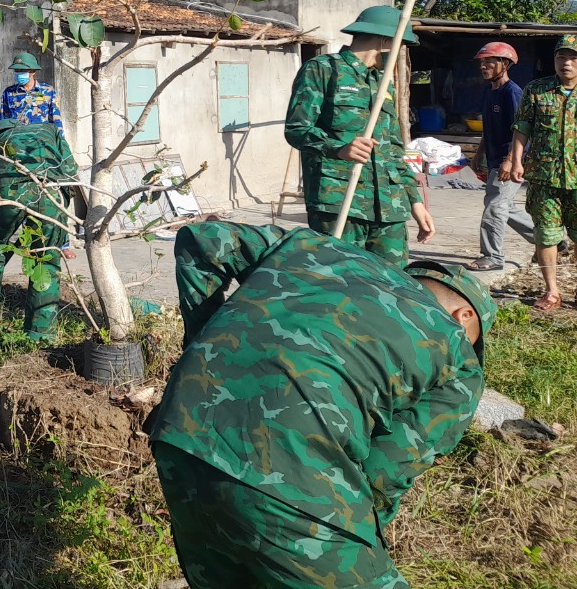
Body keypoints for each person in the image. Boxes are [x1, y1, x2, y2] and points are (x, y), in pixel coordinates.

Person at [150, 220, 495, 589]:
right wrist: (358, 543)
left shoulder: (311, 246)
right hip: (287, 469)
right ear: (465, 317)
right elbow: (385, 472)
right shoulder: (460, 361)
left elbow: (201, 240)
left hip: (179, 432)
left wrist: (200, 344)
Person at [284, 5, 435, 260]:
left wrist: (415, 203)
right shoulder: (323, 69)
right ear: (386, 41)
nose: (400, 53)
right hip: (340, 201)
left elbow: (395, 151)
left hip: (390, 207)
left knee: (393, 287)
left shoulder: (382, 82)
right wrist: (338, 148)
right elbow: (297, 129)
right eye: (400, 45)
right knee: (342, 284)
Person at [0, 119, 77, 341]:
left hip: (5, 192)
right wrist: (63, 211)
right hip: (48, 189)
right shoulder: (50, 132)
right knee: (45, 260)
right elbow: (70, 171)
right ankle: (40, 333)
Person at [502, 34, 577, 310]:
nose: (566, 63)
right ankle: (552, 292)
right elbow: (522, 127)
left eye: (572, 57)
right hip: (544, 175)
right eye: (561, 57)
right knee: (545, 234)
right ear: (554, 60)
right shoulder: (537, 89)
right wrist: (516, 160)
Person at [468, 42, 523, 272]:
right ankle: (551, 239)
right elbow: (488, 127)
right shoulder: (489, 91)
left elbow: (522, 129)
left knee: (494, 206)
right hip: (493, 158)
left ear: (505, 64)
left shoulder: (513, 93)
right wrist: (478, 154)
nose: (484, 66)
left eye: (489, 61)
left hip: (509, 159)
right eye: (482, 62)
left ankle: (492, 256)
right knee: (503, 205)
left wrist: (510, 160)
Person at [0, 52, 63, 130]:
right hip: (16, 139)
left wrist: (60, 140)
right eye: (17, 70)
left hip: (40, 139)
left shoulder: (48, 91)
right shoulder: (9, 93)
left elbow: (56, 119)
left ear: (33, 71)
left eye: (23, 70)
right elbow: (3, 122)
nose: (19, 73)